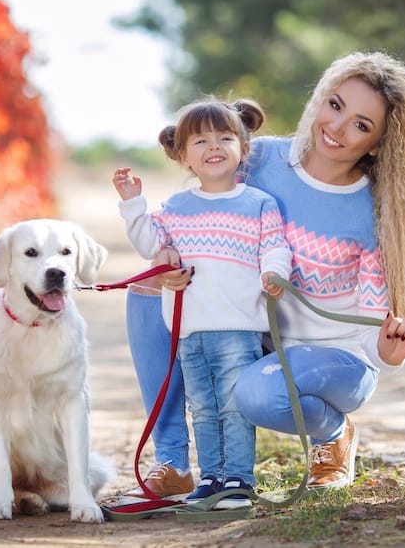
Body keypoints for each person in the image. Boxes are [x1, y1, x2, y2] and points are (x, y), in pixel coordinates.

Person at [128, 50, 405, 491]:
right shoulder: (259, 160)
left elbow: (370, 325)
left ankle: (334, 434)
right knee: (149, 290)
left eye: (361, 125)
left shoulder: (378, 212)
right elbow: (202, 221)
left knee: (254, 393)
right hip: (256, 340)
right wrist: (171, 261)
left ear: (379, 142)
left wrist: (386, 352)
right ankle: (174, 463)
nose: (337, 128)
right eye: (335, 105)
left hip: (338, 359)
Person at [113, 98, 293, 509]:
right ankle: (211, 478)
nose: (214, 147)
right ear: (183, 156)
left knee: (233, 407)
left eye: (225, 138)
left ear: (243, 149)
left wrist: (273, 273)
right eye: (201, 141)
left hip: (237, 326)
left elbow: (275, 247)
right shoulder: (176, 209)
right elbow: (149, 245)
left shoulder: (257, 204)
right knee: (204, 409)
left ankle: (239, 481)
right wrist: (133, 204)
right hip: (191, 330)